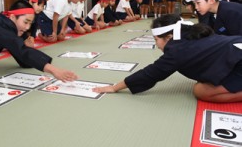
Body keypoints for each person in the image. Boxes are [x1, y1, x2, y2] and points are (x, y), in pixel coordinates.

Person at [93, 14, 242, 103]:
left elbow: (150, 74)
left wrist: (114, 87)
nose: (156, 45)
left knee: (201, 90)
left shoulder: (177, 50)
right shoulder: (191, 34)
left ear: (169, 37)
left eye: (156, 40)